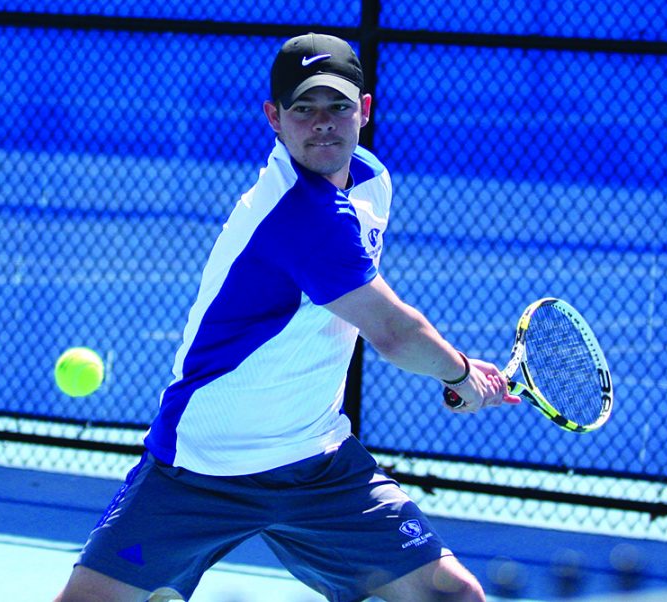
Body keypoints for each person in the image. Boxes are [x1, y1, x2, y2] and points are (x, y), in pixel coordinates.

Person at [55, 32, 519, 602]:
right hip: (204, 465)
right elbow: (394, 333)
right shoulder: (297, 213)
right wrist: (459, 374)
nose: (323, 122)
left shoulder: (371, 180)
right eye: (304, 108)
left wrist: (457, 372)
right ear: (274, 117)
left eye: (338, 106)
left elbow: (362, 301)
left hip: (318, 463)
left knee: (451, 596)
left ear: (364, 111)